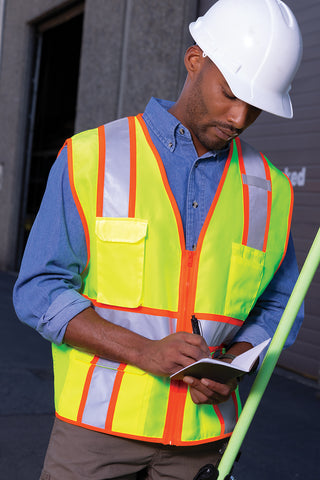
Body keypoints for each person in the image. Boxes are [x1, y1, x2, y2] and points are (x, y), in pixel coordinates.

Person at [13, 0, 304, 479]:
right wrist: (142, 351)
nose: (238, 117)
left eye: (256, 107)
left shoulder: (270, 188)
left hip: (204, 438)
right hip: (97, 436)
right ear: (195, 62)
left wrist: (234, 361)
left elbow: (280, 305)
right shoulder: (92, 156)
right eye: (230, 94)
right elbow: (38, 291)